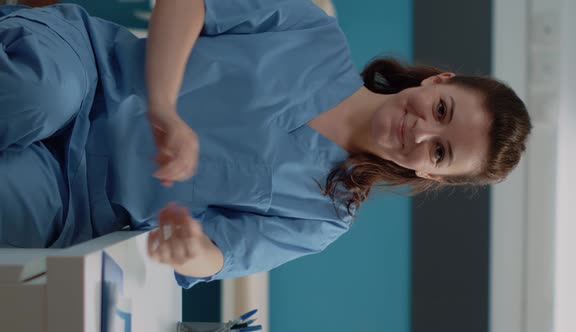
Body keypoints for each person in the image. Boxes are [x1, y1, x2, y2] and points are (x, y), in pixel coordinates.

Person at [0, 0, 531, 288]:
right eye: (443, 111)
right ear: (437, 82)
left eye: (440, 151)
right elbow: (187, 5)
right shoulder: (315, 30)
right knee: (39, 93)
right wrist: (163, 105)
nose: (420, 132)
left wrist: (192, 250)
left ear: (433, 176)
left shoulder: (324, 219)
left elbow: (221, 255)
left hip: (72, 201)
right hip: (88, 67)